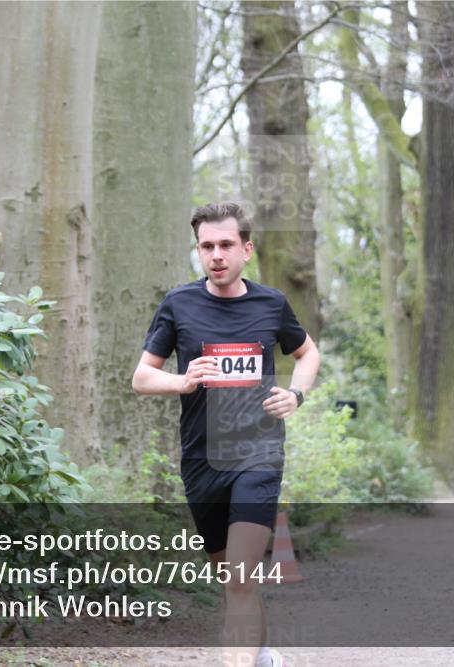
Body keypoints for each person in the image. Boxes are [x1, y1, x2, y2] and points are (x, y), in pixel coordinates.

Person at [132, 202, 320, 667]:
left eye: (225, 245)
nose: (216, 255)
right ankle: (259, 656)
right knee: (235, 579)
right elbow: (141, 378)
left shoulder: (271, 303)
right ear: (198, 251)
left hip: (258, 454)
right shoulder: (179, 304)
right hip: (202, 461)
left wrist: (295, 396)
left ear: (246, 250)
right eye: (206, 246)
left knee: (239, 577)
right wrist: (182, 380)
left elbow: (308, 352)